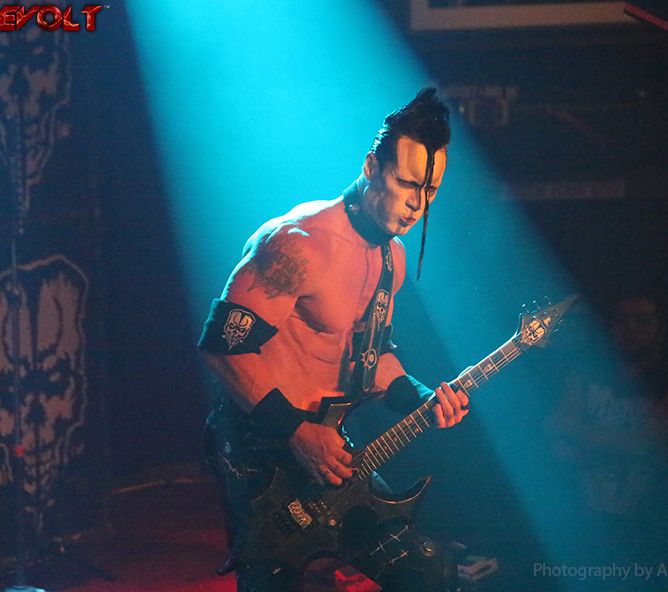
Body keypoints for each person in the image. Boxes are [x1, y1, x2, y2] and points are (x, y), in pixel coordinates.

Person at [198, 88, 470, 591]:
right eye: (407, 183)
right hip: (258, 440)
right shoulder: (299, 243)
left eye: (430, 189)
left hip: (328, 443)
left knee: (428, 571)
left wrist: (421, 398)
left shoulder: (391, 257)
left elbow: (370, 353)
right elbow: (221, 349)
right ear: (371, 167)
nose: (417, 204)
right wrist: (296, 433)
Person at [547, 292, 668, 591]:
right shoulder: (585, 373)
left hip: (654, 526)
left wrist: (581, 436)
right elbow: (554, 433)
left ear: (659, 327)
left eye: (642, 320)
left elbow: (651, 446)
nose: (630, 328)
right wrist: (617, 444)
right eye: (622, 320)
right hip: (590, 520)